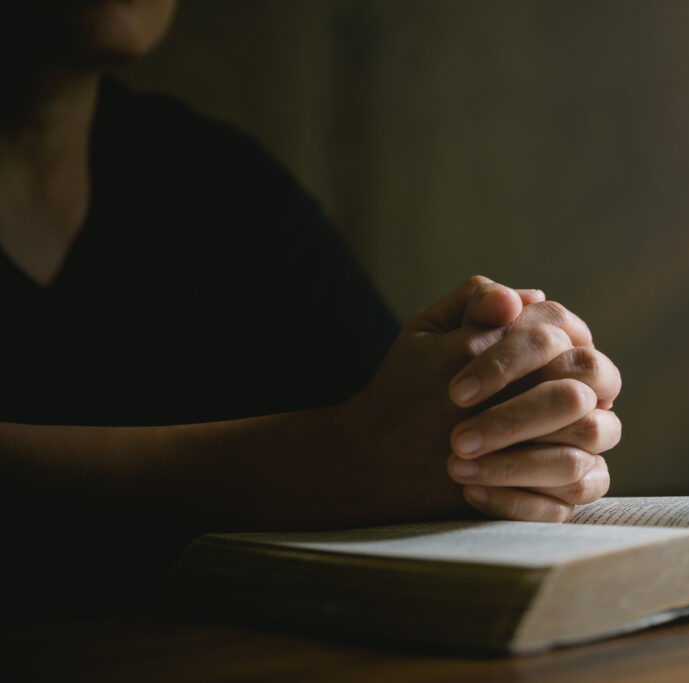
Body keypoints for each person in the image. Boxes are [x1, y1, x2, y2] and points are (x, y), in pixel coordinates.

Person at [0, 0, 622, 546]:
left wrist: (502, 400)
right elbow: (371, 450)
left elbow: (400, 422)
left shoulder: (212, 179)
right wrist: (339, 464)